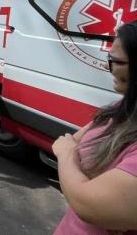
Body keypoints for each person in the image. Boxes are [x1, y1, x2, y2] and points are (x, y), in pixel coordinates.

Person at [53, 21, 137, 234]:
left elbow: (86, 204)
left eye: (115, 61)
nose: (106, 66)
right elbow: (74, 138)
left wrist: (66, 156)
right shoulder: (121, 107)